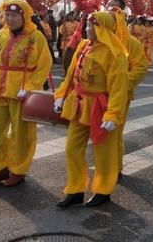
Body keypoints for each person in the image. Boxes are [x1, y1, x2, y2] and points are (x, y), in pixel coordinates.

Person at [54, 12, 128, 208]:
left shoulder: (114, 53)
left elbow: (118, 88)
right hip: (78, 105)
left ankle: (103, 190)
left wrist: (113, 114)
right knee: (72, 149)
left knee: (103, 153)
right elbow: (71, 74)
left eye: (90, 26)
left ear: (102, 28)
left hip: (100, 108)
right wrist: (61, 94)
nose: (86, 30)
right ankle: (76, 189)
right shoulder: (83, 45)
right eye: (87, 25)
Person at [0, 0, 52, 187]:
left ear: (24, 17)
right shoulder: (0, 36)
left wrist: (30, 85)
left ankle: (18, 170)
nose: (9, 19)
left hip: (21, 92)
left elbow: (44, 65)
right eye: (7, 15)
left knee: (21, 135)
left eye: (14, 15)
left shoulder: (35, 36)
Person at [106, 0, 148, 182]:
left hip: (120, 95)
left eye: (115, 8)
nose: (111, 11)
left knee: (114, 133)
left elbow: (140, 68)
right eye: (108, 7)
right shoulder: (95, 40)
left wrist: (120, 84)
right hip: (95, 95)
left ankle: (115, 168)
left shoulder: (132, 43)